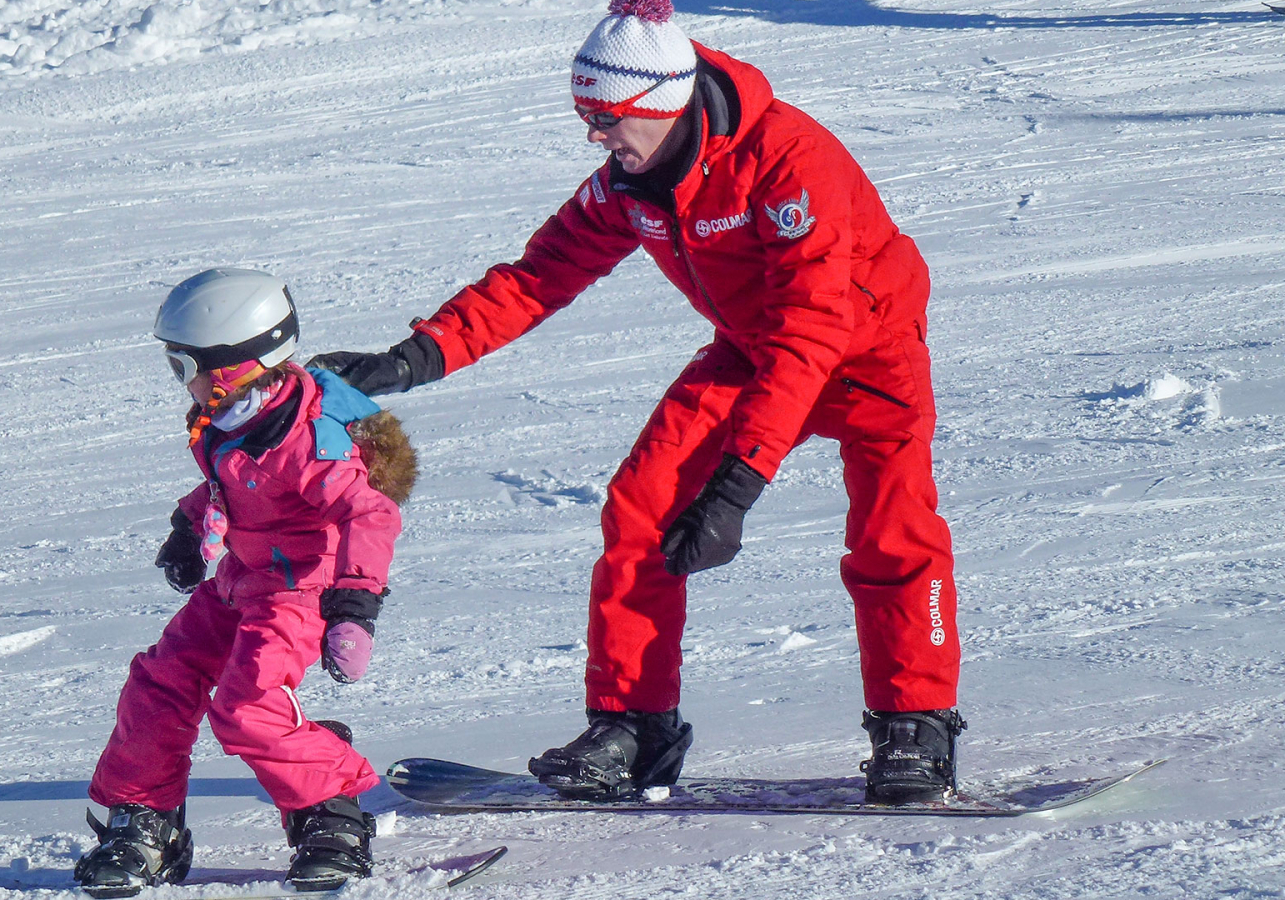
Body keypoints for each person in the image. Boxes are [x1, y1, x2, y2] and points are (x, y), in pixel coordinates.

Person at [309, 0, 964, 805]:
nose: (592, 136)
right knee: (641, 509)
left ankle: (915, 728)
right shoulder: (634, 182)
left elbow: (813, 332)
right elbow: (537, 276)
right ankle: (634, 728)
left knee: (891, 533)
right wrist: (412, 359)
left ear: (661, 104)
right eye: (584, 116)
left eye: (605, 117)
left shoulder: (791, 160)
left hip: (869, 355)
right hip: (754, 353)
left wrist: (736, 487)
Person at [74, 268, 416, 895]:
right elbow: (234, 483)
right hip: (242, 578)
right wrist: (188, 525)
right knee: (161, 679)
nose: (182, 383)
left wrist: (355, 605)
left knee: (246, 706)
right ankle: (147, 823)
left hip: (300, 591)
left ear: (235, 365)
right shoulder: (237, 417)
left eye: (185, 367)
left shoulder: (308, 440)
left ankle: (332, 812)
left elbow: (370, 513)